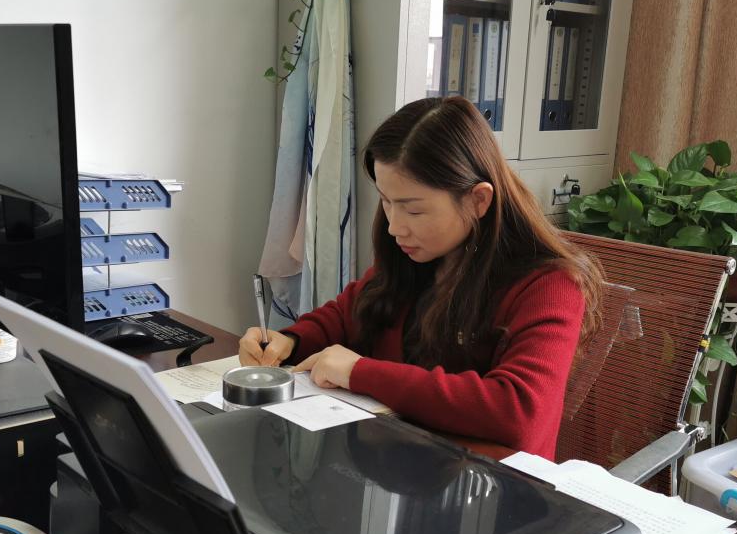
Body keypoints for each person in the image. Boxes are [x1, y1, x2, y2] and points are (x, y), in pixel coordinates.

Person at [239, 96, 601, 457]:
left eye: (413, 210)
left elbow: (517, 410)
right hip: (402, 462)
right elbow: (348, 314)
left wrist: (361, 372)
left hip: (491, 482)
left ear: (478, 200)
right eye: (386, 201)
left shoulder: (550, 286)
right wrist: (290, 340)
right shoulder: (416, 255)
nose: (395, 227)